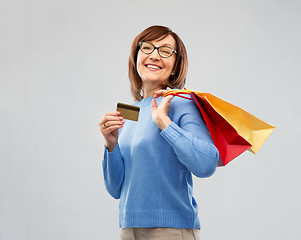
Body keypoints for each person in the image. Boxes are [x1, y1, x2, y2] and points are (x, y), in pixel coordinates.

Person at [99, 25, 219, 240]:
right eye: (147, 48)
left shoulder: (182, 104)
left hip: (171, 231)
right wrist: (111, 146)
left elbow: (206, 164)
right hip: (128, 229)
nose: (154, 55)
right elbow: (116, 189)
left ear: (175, 66)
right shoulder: (130, 111)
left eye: (165, 51)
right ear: (136, 56)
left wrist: (165, 124)